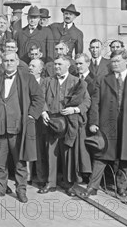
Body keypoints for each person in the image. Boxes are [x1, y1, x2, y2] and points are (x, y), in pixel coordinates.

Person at [85, 51, 127, 197]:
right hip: (107, 123)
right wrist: (93, 122)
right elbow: (95, 103)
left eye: (117, 61)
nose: (114, 64)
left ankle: (121, 187)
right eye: (112, 61)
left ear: (126, 61)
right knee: (101, 154)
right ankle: (92, 186)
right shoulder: (103, 79)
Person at [0, 51, 44, 203]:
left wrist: (31, 116)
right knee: (0, 162)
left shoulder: (27, 78)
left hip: (18, 128)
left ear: (18, 61)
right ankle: (0, 188)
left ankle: (21, 190)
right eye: (6, 61)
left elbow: (38, 98)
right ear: (2, 62)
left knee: (20, 162)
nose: (9, 63)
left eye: (12, 60)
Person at [36, 56, 90, 196]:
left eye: (60, 64)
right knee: (50, 153)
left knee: (68, 154)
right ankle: (50, 183)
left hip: (69, 123)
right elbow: (39, 97)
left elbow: (87, 102)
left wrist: (75, 110)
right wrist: (43, 111)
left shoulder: (77, 82)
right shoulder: (48, 81)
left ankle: (68, 184)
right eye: (55, 64)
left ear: (68, 65)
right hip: (51, 122)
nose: (56, 67)